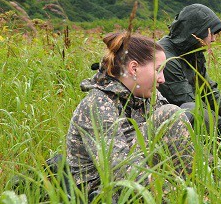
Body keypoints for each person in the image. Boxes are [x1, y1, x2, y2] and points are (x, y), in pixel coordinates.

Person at [66, 33, 193, 197]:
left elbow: (183, 148)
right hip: (103, 189)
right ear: (134, 69)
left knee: (176, 114)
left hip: (141, 177)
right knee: (170, 114)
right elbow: (120, 169)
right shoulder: (97, 104)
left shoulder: (147, 96)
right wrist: (179, 195)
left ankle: (203, 188)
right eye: (158, 70)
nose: (162, 79)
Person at [158, 3, 221, 137]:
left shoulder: (191, 51)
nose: (213, 39)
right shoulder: (166, 57)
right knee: (194, 110)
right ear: (196, 32)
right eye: (210, 33)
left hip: (186, 117)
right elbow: (186, 101)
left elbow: (207, 89)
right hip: (166, 125)